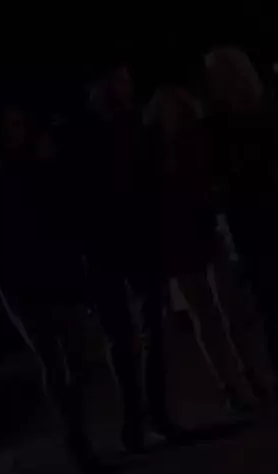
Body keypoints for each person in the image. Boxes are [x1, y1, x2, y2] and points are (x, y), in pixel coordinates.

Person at [80, 63, 188, 451]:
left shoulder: (130, 127)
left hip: (131, 241)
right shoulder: (102, 132)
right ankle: (143, 417)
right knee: (133, 334)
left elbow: (159, 178)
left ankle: (146, 417)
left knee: (142, 332)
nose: (122, 87)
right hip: (115, 243)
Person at [203, 47, 278, 412]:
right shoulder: (220, 120)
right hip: (251, 214)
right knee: (270, 302)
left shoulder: (260, 111)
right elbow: (221, 171)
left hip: (273, 209)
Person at [0, 106, 99, 472]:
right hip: (24, 277)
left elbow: (69, 209)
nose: (17, 131)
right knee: (53, 359)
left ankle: (77, 434)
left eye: (20, 123)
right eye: (10, 126)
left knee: (76, 359)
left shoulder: (43, 164)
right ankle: (76, 440)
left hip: (57, 270)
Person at [143, 84, 263, 412]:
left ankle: (247, 377)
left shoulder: (197, 142)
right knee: (206, 312)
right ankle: (233, 385)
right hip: (178, 236)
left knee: (228, 306)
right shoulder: (154, 151)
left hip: (203, 228)